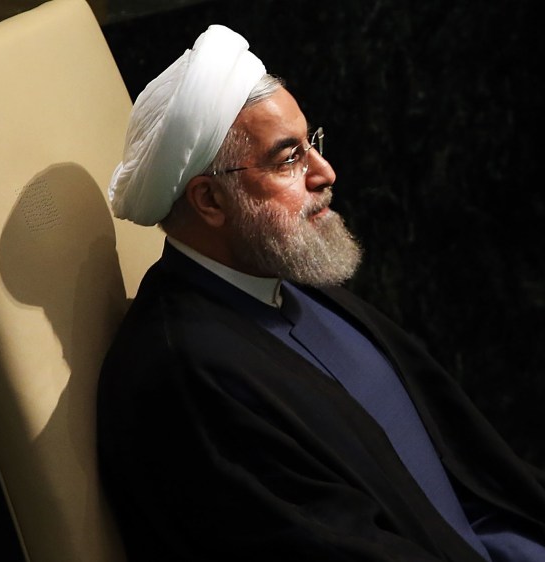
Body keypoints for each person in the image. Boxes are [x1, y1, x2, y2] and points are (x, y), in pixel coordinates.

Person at [95, 24, 545, 561]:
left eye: (313, 144)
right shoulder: (185, 377)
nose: (325, 172)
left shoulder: (283, 281)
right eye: (288, 158)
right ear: (210, 200)